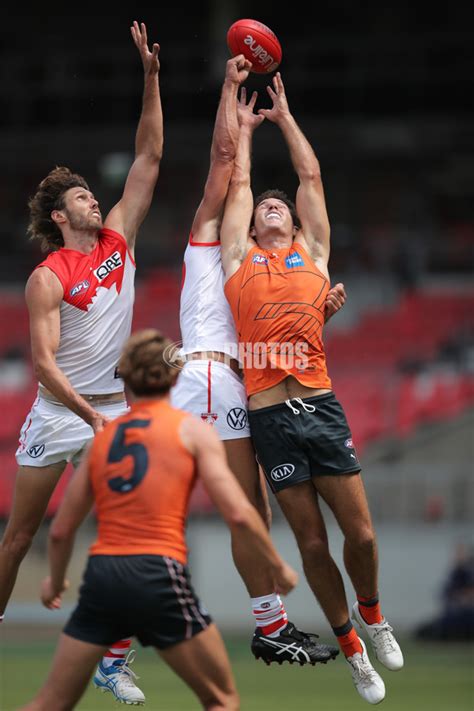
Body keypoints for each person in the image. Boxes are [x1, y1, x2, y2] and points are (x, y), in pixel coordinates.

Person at [220, 74, 404, 705]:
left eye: (282, 204)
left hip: (320, 405)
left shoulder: (314, 255)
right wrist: (243, 133)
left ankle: (373, 613)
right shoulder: (239, 259)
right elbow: (240, 185)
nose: (273, 206)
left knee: (364, 537)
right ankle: (352, 648)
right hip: (270, 417)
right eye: (265, 207)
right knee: (310, 542)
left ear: (295, 220)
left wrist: (286, 118)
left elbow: (312, 178)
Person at [0, 21, 162, 705]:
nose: (96, 197)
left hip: (114, 411)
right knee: (18, 536)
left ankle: (113, 658)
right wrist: (91, 414)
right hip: (63, 411)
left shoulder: (120, 239)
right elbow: (42, 367)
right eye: (83, 197)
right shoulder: (48, 276)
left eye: (95, 193)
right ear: (61, 215)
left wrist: (151, 78)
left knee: (138, 532)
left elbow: (149, 156)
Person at [18, 329, 298, 711]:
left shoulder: (106, 437)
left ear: (126, 378)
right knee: (221, 699)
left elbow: (62, 529)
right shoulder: (190, 431)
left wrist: (55, 579)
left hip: (102, 578)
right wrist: (277, 565)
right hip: (158, 574)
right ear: (174, 376)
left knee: (51, 702)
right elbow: (239, 512)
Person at [172, 60, 345, 665]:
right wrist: (232, 104)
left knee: (248, 509)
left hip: (225, 379)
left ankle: (268, 625)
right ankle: (265, 628)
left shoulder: (256, 266)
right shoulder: (210, 234)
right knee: (234, 510)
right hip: (211, 376)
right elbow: (225, 165)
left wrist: (319, 312)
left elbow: (280, 333)